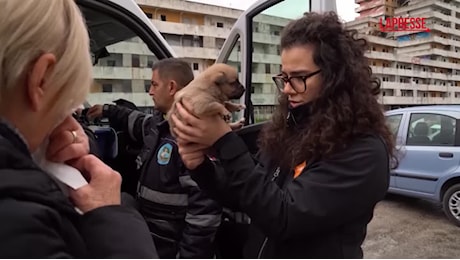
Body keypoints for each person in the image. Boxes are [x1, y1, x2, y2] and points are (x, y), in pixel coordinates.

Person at [171, 11, 397, 258]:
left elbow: (284, 217)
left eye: (299, 78)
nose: (287, 88)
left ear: (336, 77)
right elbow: (247, 197)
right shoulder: (289, 129)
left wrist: (225, 142)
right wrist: (201, 168)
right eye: (284, 77)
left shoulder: (363, 151)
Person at [0, 0, 157, 258]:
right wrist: (112, 218)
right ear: (41, 79)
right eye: (65, 102)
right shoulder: (24, 228)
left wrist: (79, 144)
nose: (66, 120)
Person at [87, 58, 222, 258]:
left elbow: (204, 213)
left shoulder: (193, 134)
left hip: (169, 244)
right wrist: (106, 110)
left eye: (154, 84)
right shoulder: (161, 123)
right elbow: (136, 121)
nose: (150, 91)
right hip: (151, 235)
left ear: (171, 87)